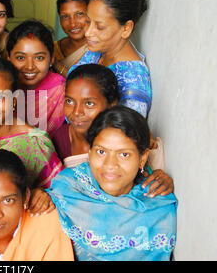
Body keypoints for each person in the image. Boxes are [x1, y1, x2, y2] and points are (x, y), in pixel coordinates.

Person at [47, 106, 177, 261]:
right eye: (101, 152)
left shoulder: (157, 205)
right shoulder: (68, 187)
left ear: (142, 158)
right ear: (90, 152)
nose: (110, 165)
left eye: (123, 154)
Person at [53, 63, 173, 197]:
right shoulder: (59, 140)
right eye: (69, 101)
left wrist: (162, 179)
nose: (76, 112)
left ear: (112, 104)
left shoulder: (133, 139)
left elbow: (151, 178)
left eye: (89, 103)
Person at [0, 57, 63, 214]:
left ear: (15, 99)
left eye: (0, 98)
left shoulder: (35, 143)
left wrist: (44, 194)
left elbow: (61, 190)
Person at [69, 0, 152, 118]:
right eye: (88, 21)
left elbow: (123, 135)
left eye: (99, 27)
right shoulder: (100, 48)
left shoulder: (133, 86)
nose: (88, 33)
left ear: (126, 28)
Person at [6, 19, 65, 138]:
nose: (29, 66)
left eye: (39, 58)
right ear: (9, 58)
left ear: (52, 59)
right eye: (21, 58)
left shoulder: (60, 89)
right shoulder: (3, 85)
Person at [53, 0, 91, 77]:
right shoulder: (54, 49)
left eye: (79, 14)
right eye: (65, 16)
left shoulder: (100, 50)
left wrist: (56, 65)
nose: (73, 24)